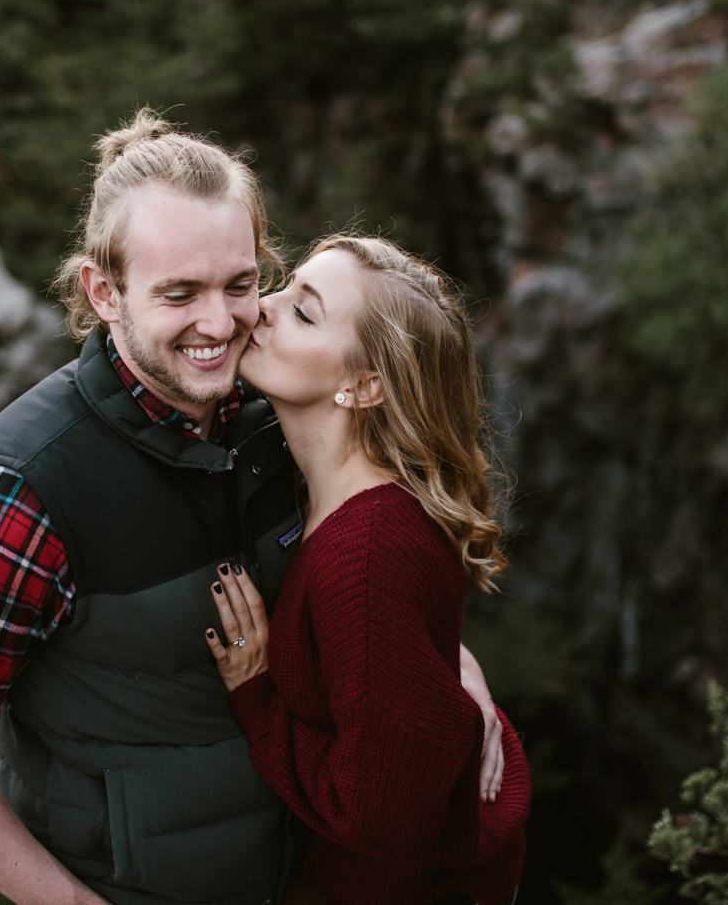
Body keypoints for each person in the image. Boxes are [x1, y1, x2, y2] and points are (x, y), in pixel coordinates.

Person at [0, 111, 504, 905]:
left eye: (241, 285)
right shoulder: (17, 494)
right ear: (103, 291)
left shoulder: (283, 414)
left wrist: (451, 677)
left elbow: (377, 592)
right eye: (179, 294)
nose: (220, 324)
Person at [205, 235, 530, 905]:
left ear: (363, 385)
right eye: (285, 287)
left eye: (304, 312)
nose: (260, 306)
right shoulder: (342, 503)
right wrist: (456, 663)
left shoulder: (369, 552)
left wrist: (257, 695)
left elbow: (383, 815)